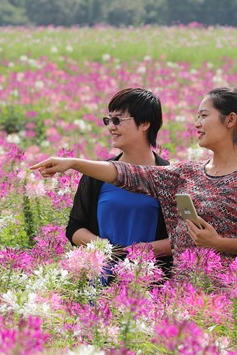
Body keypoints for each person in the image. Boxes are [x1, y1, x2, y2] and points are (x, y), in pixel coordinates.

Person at [33, 87, 237, 269]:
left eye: (204, 116)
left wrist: (219, 243)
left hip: (233, 295)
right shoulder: (188, 172)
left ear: (230, 120)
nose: (196, 123)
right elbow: (131, 174)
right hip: (182, 296)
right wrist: (74, 163)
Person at [65, 88, 173, 277]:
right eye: (108, 120)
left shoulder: (168, 176)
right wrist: (107, 249)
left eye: (118, 120)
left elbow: (183, 239)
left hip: (150, 282)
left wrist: (142, 251)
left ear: (145, 123)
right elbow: (75, 228)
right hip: (101, 281)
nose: (111, 127)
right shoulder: (97, 174)